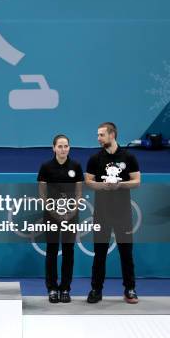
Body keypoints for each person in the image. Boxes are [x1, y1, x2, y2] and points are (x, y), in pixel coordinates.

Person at [85, 122, 141, 304]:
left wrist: (119, 185)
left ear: (112, 135)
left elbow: (137, 181)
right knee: (99, 252)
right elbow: (88, 181)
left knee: (126, 252)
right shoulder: (95, 158)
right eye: (98, 135)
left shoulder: (129, 157)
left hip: (123, 212)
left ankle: (130, 289)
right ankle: (96, 289)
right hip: (101, 212)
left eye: (101, 135)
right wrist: (103, 185)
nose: (98, 138)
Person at [37, 134, 84, 303]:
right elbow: (42, 193)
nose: (63, 149)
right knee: (51, 250)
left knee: (68, 251)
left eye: (66, 146)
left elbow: (79, 192)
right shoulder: (46, 167)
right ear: (54, 148)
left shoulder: (76, 166)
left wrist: (72, 212)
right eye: (60, 146)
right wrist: (53, 212)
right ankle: (51, 288)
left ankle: (65, 287)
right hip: (51, 215)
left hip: (71, 216)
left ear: (69, 148)